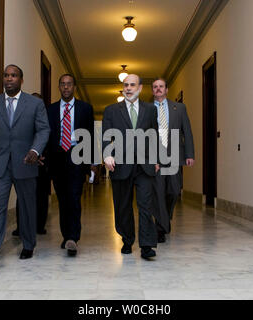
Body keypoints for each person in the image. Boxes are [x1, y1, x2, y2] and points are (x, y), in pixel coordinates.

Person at [0, 65, 50, 271]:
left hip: (26, 162)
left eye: (14, 75)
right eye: (6, 75)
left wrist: (35, 151)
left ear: (21, 79)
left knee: (27, 206)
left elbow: (43, 130)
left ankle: (28, 245)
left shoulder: (35, 104)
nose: (9, 79)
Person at [102, 74, 160, 260]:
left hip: (145, 164)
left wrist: (157, 159)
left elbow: (154, 135)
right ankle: (127, 240)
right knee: (122, 205)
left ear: (140, 88)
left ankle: (146, 246)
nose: (128, 88)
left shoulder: (150, 109)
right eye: (125, 85)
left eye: (132, 85)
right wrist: (107, 154)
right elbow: (105, 136)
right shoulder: (111, 110)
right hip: (120, 164)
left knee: (145, 205)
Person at [47, 74, 94, 257]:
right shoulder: (50, 110)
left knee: (74, 197)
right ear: (59, 87)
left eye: (69, 84)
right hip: (57, 157)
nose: (66, 87)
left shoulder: (85, 108)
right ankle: (66, 235)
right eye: (63, 84)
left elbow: (90, 135)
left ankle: (73, 238)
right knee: (63, 199)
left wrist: (92, 162)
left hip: (77, 156)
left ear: (74, 87)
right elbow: (46, 134)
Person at [151, 78, 195, 243]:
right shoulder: (147, 109)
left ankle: (165, 216)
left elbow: (187, 131)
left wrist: (190, 154)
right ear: (152, 91)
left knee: (174, 190)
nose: (158, 89)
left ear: (167, 89)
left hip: (176, 154)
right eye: (155, 87)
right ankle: (160, 227)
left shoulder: (179, 108)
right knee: (159, 192)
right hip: (156, 157)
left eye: (161, 86)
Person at [12, 93, 51, 236]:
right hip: (24, 162)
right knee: (22, 196)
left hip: (42, 164)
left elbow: (48, 137)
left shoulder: (46, 118)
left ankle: (39, 226)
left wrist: (40, 155)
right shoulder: (21, 117)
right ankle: (20, 226)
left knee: (41, 197)